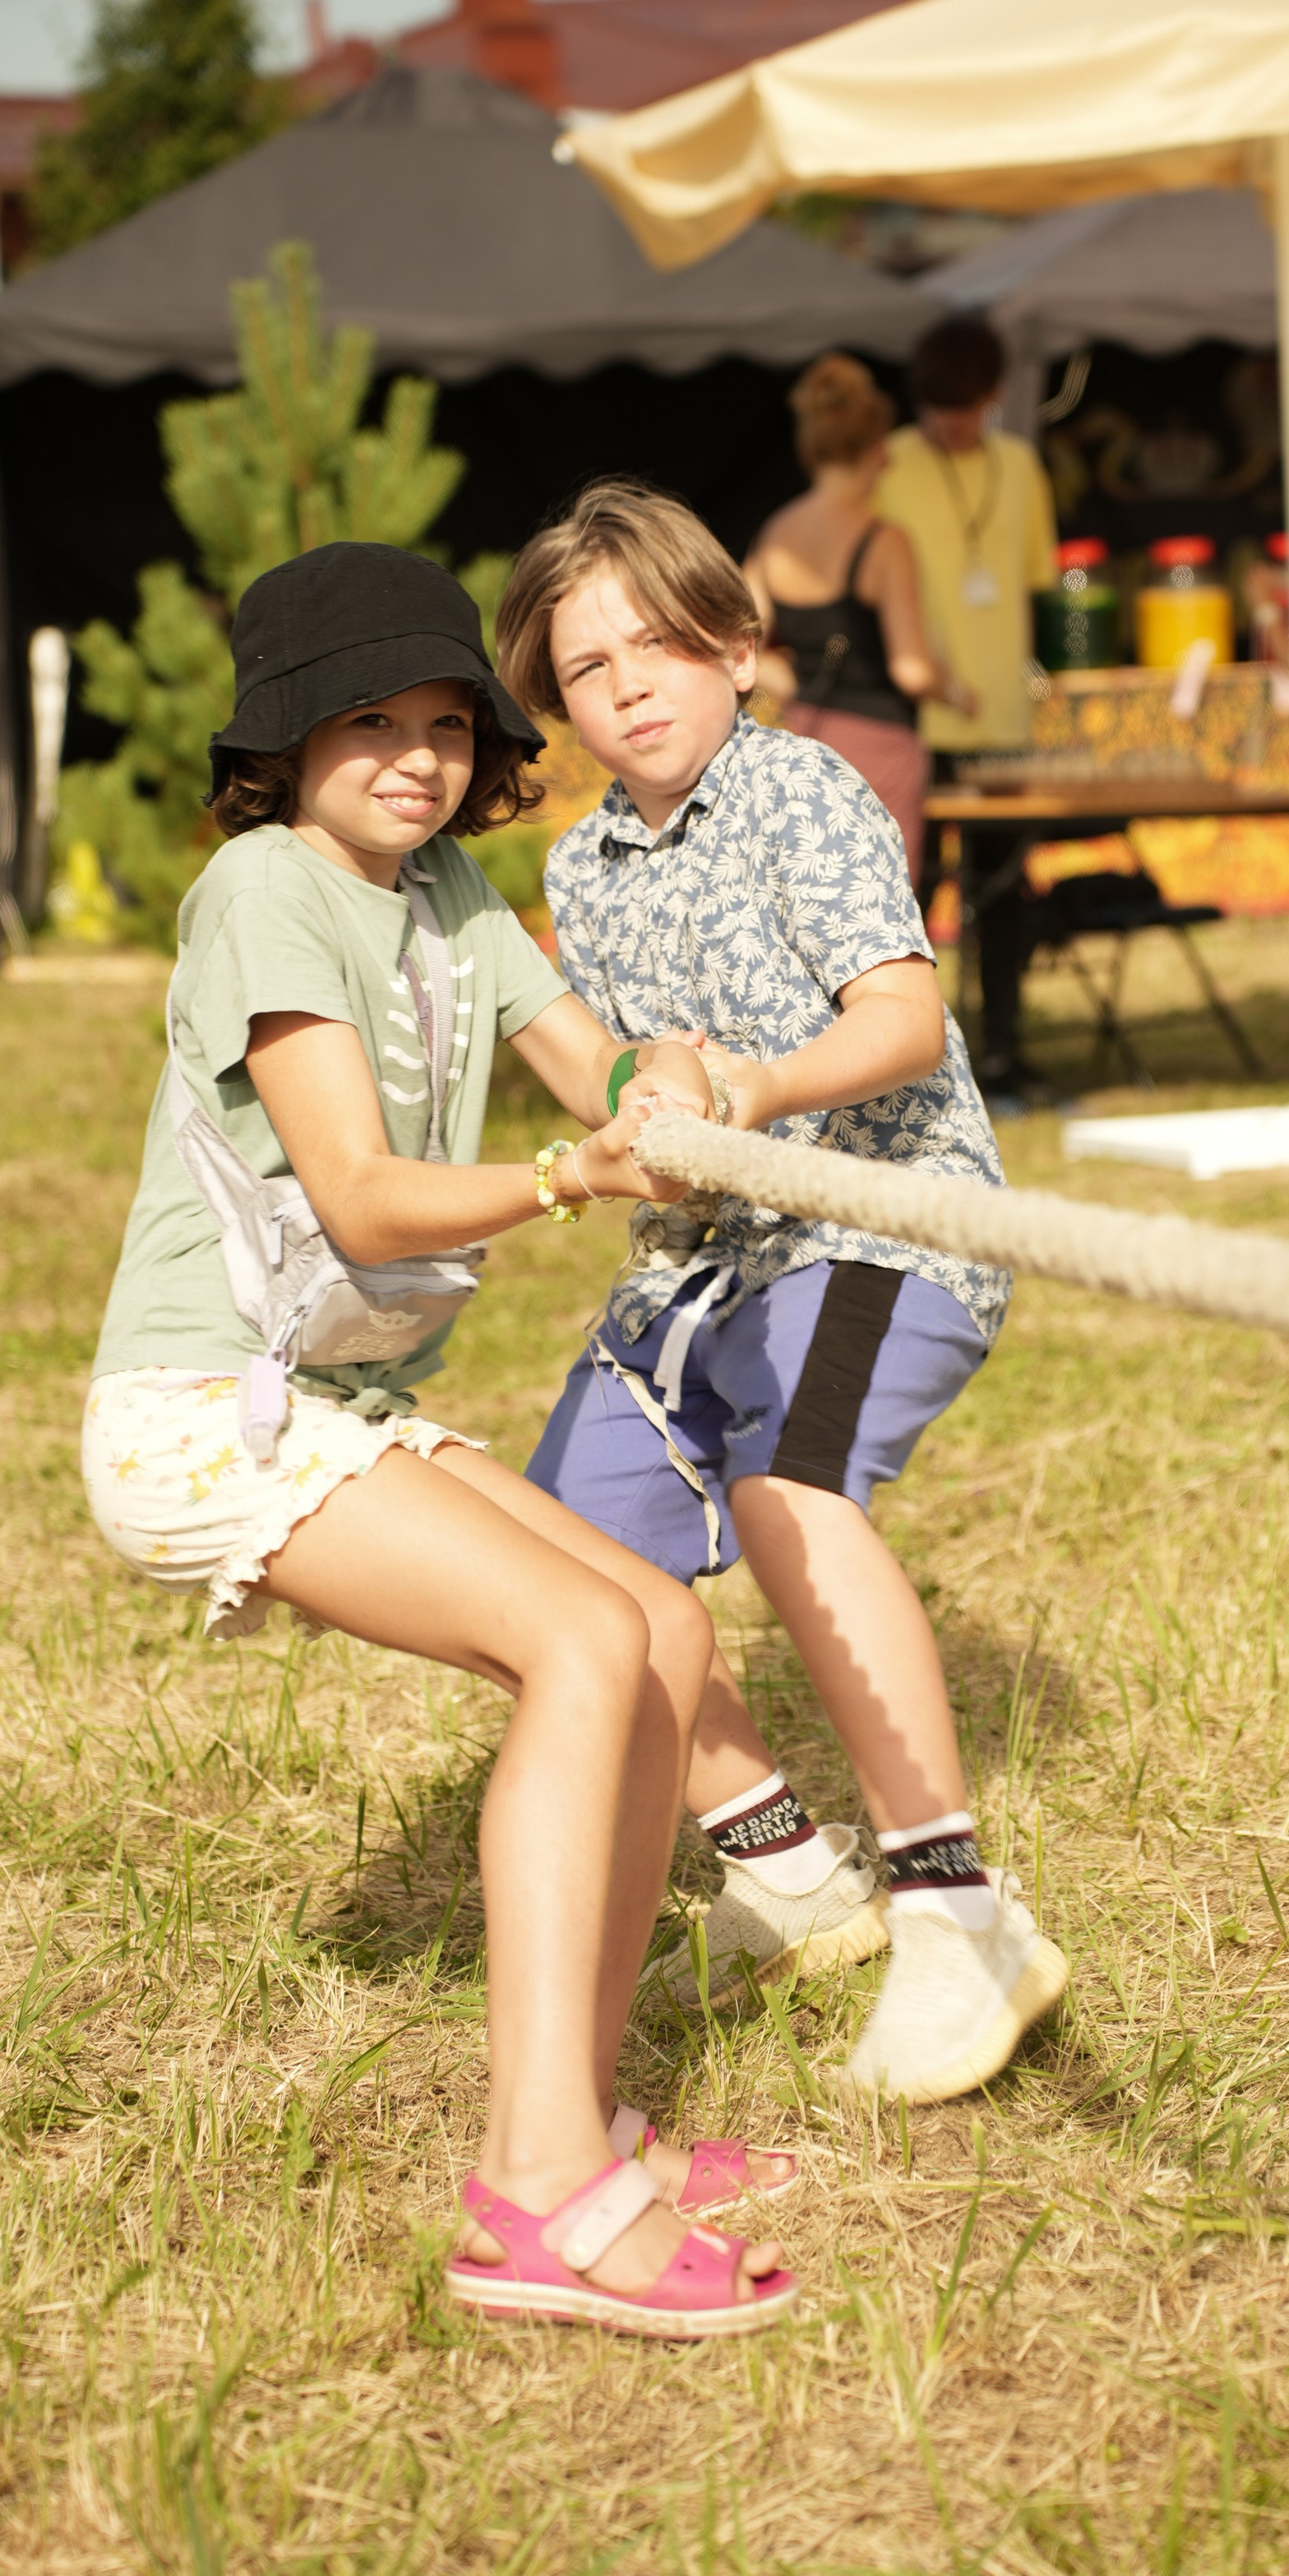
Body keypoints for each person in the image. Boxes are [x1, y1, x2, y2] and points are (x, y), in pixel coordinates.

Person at [80, 542, 797, 2339]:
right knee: (580, 1643)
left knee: (662, 1632)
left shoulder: (451, 892)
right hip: (203, 1413)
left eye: (446, 724)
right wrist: (573, 1174)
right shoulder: (263, 888)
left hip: (343, 1399)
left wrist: (664, 1083)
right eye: (368, 723)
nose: (415, 758)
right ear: (285, 743)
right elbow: (364, 1195)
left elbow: (592, 1067)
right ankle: (535, 2195)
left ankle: (585, 2118)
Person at [496, 480, 1070, 2109]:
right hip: (701, 1264)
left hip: (878, 1227)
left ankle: (959, 1913)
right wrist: (649, 1111)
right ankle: (784, 1866)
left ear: (739, 647)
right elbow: (640, 1066)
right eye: (586, 667)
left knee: (786, 1494)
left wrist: (754, 1091)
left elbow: (900, 1018)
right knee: (552, 1564)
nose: (628, 687)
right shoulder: (587, 864)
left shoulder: (802, 793)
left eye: (658, 646)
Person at [873, 315, 1059, 1103]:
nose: (951, 425)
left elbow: (1038, 580)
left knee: (1005, 893)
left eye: (966, 408)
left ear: (995, 396)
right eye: (937, 410)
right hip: (913, 720)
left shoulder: (1020, 466)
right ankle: (893, 1067)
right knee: (903, 895)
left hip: (1000, 720)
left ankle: (1004, 1051)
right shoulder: (888, 465)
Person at [746, 352, 974, 882]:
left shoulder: (776, 534)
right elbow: (911, 670)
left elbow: (732, 645)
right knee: (881, 908)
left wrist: (797, 683)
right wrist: (958, 694)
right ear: (875, 450)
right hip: (881, 751)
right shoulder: (885, 541)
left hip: (805, 744)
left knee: (813, 900)